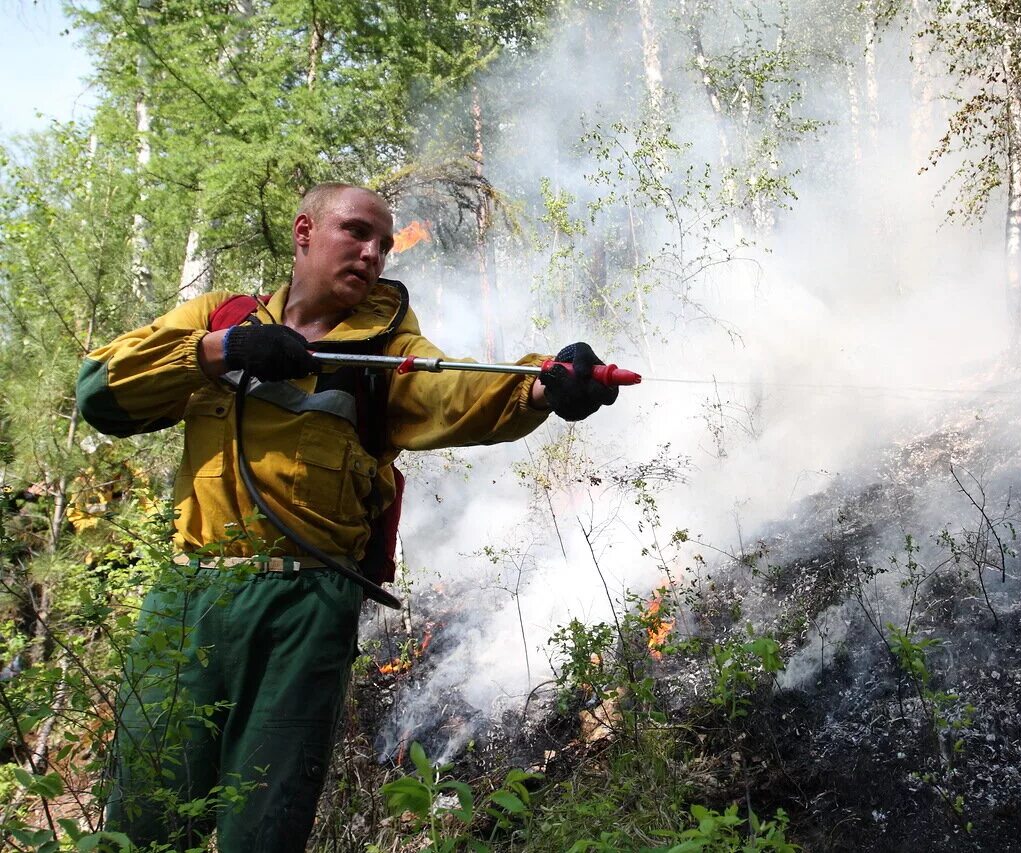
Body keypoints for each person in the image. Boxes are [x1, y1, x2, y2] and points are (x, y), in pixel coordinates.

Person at [75, 182, 619, 851]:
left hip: (305, 610)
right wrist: (222, 350)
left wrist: (541, 383)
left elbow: (451, 388)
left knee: (264, 828)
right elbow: (102, 391)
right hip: (187, 598)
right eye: (356, 233)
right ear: (304, 231)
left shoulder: (386, 349)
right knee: (145, 820)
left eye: (384, 244)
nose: (372, 253)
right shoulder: (221, 315)